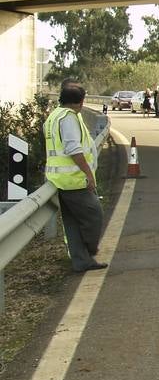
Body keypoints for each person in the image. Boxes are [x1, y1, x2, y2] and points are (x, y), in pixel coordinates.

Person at [43, 82, 107, 273]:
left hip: (57, 179)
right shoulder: (69, 118)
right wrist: (89, 174)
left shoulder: (54, 116)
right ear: (80, 103)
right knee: (94, 215)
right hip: (73, 180)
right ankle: (90, 249)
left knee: (72, 222)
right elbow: (74, 150)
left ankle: (81, 261)